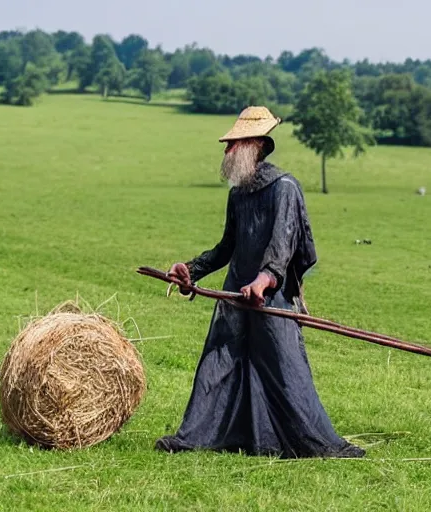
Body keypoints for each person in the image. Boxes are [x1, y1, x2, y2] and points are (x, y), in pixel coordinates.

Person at [154, 106, 365, 459]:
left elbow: (284, 242)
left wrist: (265, 280)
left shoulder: (284, 188)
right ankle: (192, 438)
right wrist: (192, 270)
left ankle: (321, 445)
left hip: (271, 298)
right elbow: (227, 247)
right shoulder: (238, 194)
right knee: (218, 363)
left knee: (284, 369)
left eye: (231, 145)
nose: (226, 151)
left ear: (253, 144)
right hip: (237, 293)